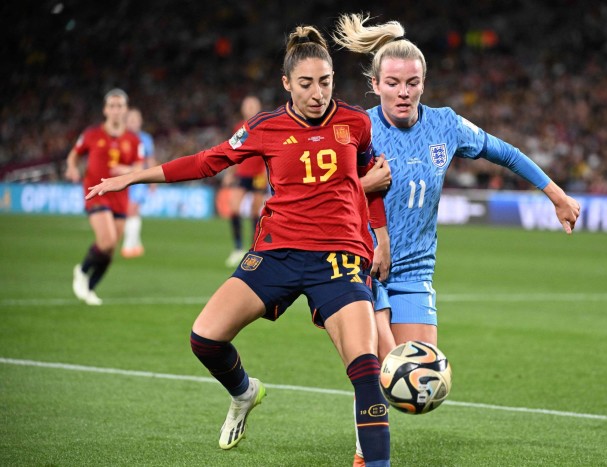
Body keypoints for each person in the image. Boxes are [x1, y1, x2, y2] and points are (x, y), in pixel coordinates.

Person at [85, 26, 392, 466]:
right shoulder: (264, 128)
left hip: (339, 255)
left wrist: (379, 237)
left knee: (365, 367)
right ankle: (245, 392)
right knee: (205, 338)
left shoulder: (356, 123)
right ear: (286, 83)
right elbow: (206, 161)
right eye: (305, 83)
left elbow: (374, 180)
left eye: (325, 82)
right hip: (276, 253)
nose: (317, 93)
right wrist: (134, 175)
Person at [333, 14, 580, 466]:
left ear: (424, 84)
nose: (403, 92)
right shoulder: (355, 131)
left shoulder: (446, 125)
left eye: (412, 83)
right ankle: (366, 456)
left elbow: (504, 152)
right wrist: (360, 192)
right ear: (375, 84)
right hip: (362, 265)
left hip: (416, 270)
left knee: (419, 379)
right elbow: (319, 192)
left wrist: (555, 193)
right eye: (393, 83)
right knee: (381, 367)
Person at [65, 88, 144, 305]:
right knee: (107, 240)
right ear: (105, 110)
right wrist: (72, 168)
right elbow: (74, 155)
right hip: (96, 193)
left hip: (120, 197)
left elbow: (139, 166)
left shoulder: (134, 140)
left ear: (125, 110)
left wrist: (126, 169)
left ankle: (90, 289)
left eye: (120, 106)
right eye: (112, 106)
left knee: (109, 249)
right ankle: (81, 271)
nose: (116, 110)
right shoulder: (91, 134)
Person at [222, 95, 268, 267]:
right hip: (242, 174)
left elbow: (267, 153)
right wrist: (230, 172)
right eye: (247, 105)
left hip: (257, 175)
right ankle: (237, 247)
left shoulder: (264, 127)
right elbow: (234, 152)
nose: (249, 108)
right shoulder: (240, 128)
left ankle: (253, 249)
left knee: (255, 212)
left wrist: (266, 173)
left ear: (258, 108)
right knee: (233, 208)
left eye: (252, 105)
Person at [121, 107, 156, 258]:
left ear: (140, 121)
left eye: (136, 119)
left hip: (140, 178)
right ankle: (136, 244)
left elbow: (150, 159)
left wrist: (154, 180)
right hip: (124, 178)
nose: (133, 123)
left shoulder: (146, 139)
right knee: (130, 211)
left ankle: (128, 245)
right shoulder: (121, 138)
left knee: (132, 209)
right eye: (131, 120)